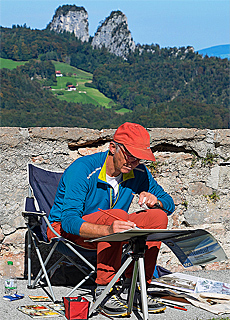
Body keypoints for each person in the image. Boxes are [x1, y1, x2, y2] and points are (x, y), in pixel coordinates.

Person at [48, 122, 175, 316]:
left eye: (139, 158)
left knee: (157, 217)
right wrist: (109, 231)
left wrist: (156, 201)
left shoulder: (138, 171)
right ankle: (106, 289)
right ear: (113, 147)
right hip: (69, 233)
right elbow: (68, 221)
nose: (134, 162)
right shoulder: (82, 169)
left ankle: (137, 286)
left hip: (113, 230)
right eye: (130, 155)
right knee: (117, 215)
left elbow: (169, 204)